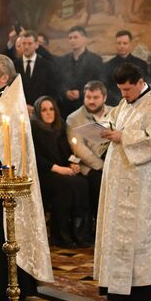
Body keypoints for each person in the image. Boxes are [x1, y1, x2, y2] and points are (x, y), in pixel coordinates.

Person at [94, 61, 151, 301]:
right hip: (119, 183)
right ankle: (116, 285)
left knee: (139, 235)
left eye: (127, 90)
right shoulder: (125, 104)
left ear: (140, 82)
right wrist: (100, 129)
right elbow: (111, 122)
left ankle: (144, 288)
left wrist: (122, 136)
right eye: (121, 90)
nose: (123, 95)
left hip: (143, 187)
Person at [0, 55, 54, 301]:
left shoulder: (9, 105)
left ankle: (2, 285)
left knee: (1, 230)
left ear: (4, 77)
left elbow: (10, 147)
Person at [30, 96, 92, 247]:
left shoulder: (60, 127)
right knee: (65, 186)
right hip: (44, 173)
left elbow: (68, 153)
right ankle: (61, 235)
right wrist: (58, 169)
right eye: (44, 110)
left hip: (63, 171)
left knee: (82, 182)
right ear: (38, 112)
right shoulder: (33, 128)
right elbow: (34, 157)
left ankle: (79, 233)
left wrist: (73, 164)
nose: (49, 113)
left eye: (51, 109)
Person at [66, 80, 111, 220]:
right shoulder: (74, 118)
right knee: (99, 184)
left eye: (96, 98)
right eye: (88, 97)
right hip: (89, 166)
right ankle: (98, 227)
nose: (91, 101)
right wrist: (103, 167)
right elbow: (79, 149)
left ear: (105, 97)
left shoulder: (115, 112)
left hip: (112, 160)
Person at [102, 30, 148, 106]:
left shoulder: (141, 64)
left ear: (130, 44)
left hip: (138, 103)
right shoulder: (107, 66)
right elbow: (106, 88)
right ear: (115, 44)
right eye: (119, 43)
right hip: (115, 104)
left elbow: (145, 85)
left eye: (125, 43)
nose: (122, 46)